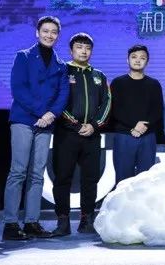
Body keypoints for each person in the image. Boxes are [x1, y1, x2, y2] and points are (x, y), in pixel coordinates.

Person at [2, 15, 68, 241]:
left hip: (46, 123)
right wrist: (42, 112)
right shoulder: (23, 56)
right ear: (37, 33)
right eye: (45, 31)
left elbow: (63, 94)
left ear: (58, 36)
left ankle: (32, 222)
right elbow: (18, 89)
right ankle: (10, 224)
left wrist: (51, 115)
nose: (49, 35)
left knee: (37, 174)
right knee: (18, 171)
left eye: (54, 32)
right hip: (23, 119)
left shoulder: (61, 65)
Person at [51, 33, 111, 236]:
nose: (83, 51)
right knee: (62, 178)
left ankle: (87, 220)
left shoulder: (99, 76)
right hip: (67, 134)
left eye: (87, 47)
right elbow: (57, 101)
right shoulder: (61, 71)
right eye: (79, 47)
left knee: (90, 179)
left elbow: (107, 103)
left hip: (92, 135)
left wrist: (94, 125)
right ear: (71, 50)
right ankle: (63, 221)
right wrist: (75, 125)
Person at [110, 45, 163, 185]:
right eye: (134, 57)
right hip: (124, 136)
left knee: (146, 181)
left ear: (147, 61)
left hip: (147, 136)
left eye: (142, 58)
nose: (138, 60)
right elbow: (115, 109)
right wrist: (134, 126)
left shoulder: (154, 84)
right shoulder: (118, 82)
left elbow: (157, 110)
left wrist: (143, 126)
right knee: (123, 180)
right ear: (127, 60)